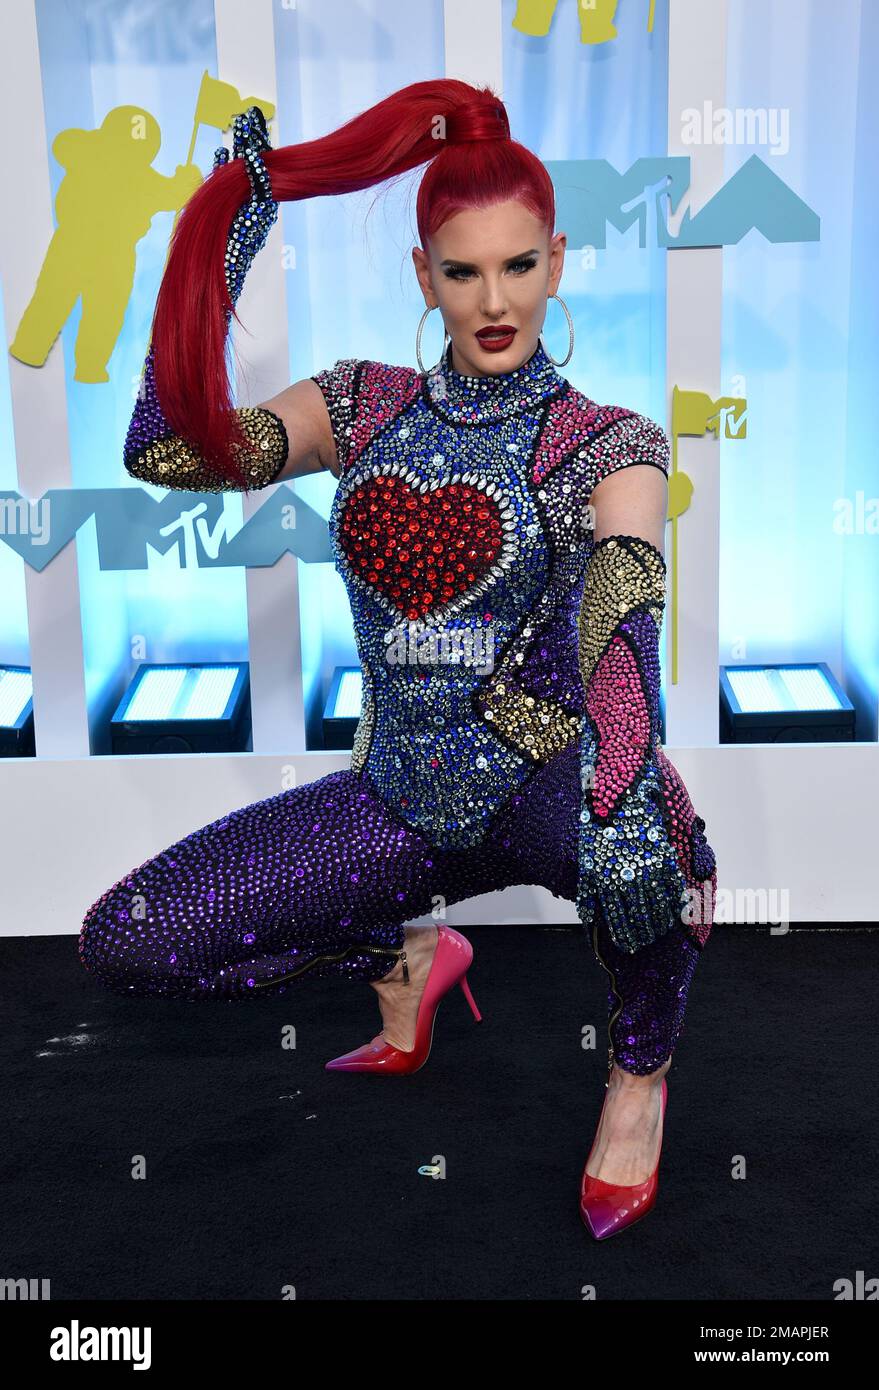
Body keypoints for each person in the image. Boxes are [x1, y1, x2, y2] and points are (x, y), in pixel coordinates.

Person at [78, 84, 718, 1240]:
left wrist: (626, 793)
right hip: (397, 798)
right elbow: (166, 446)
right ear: (424, 275)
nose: (493, 301)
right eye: (462, 272)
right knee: (135, 941)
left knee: (648, 864)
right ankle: (409, 944)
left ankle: (636, 1081)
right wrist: (232, 228)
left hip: (543, 781)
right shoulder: (359, 406)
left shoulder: (607, 441)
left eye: (519, 266)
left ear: (558, 261)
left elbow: (621, 621)